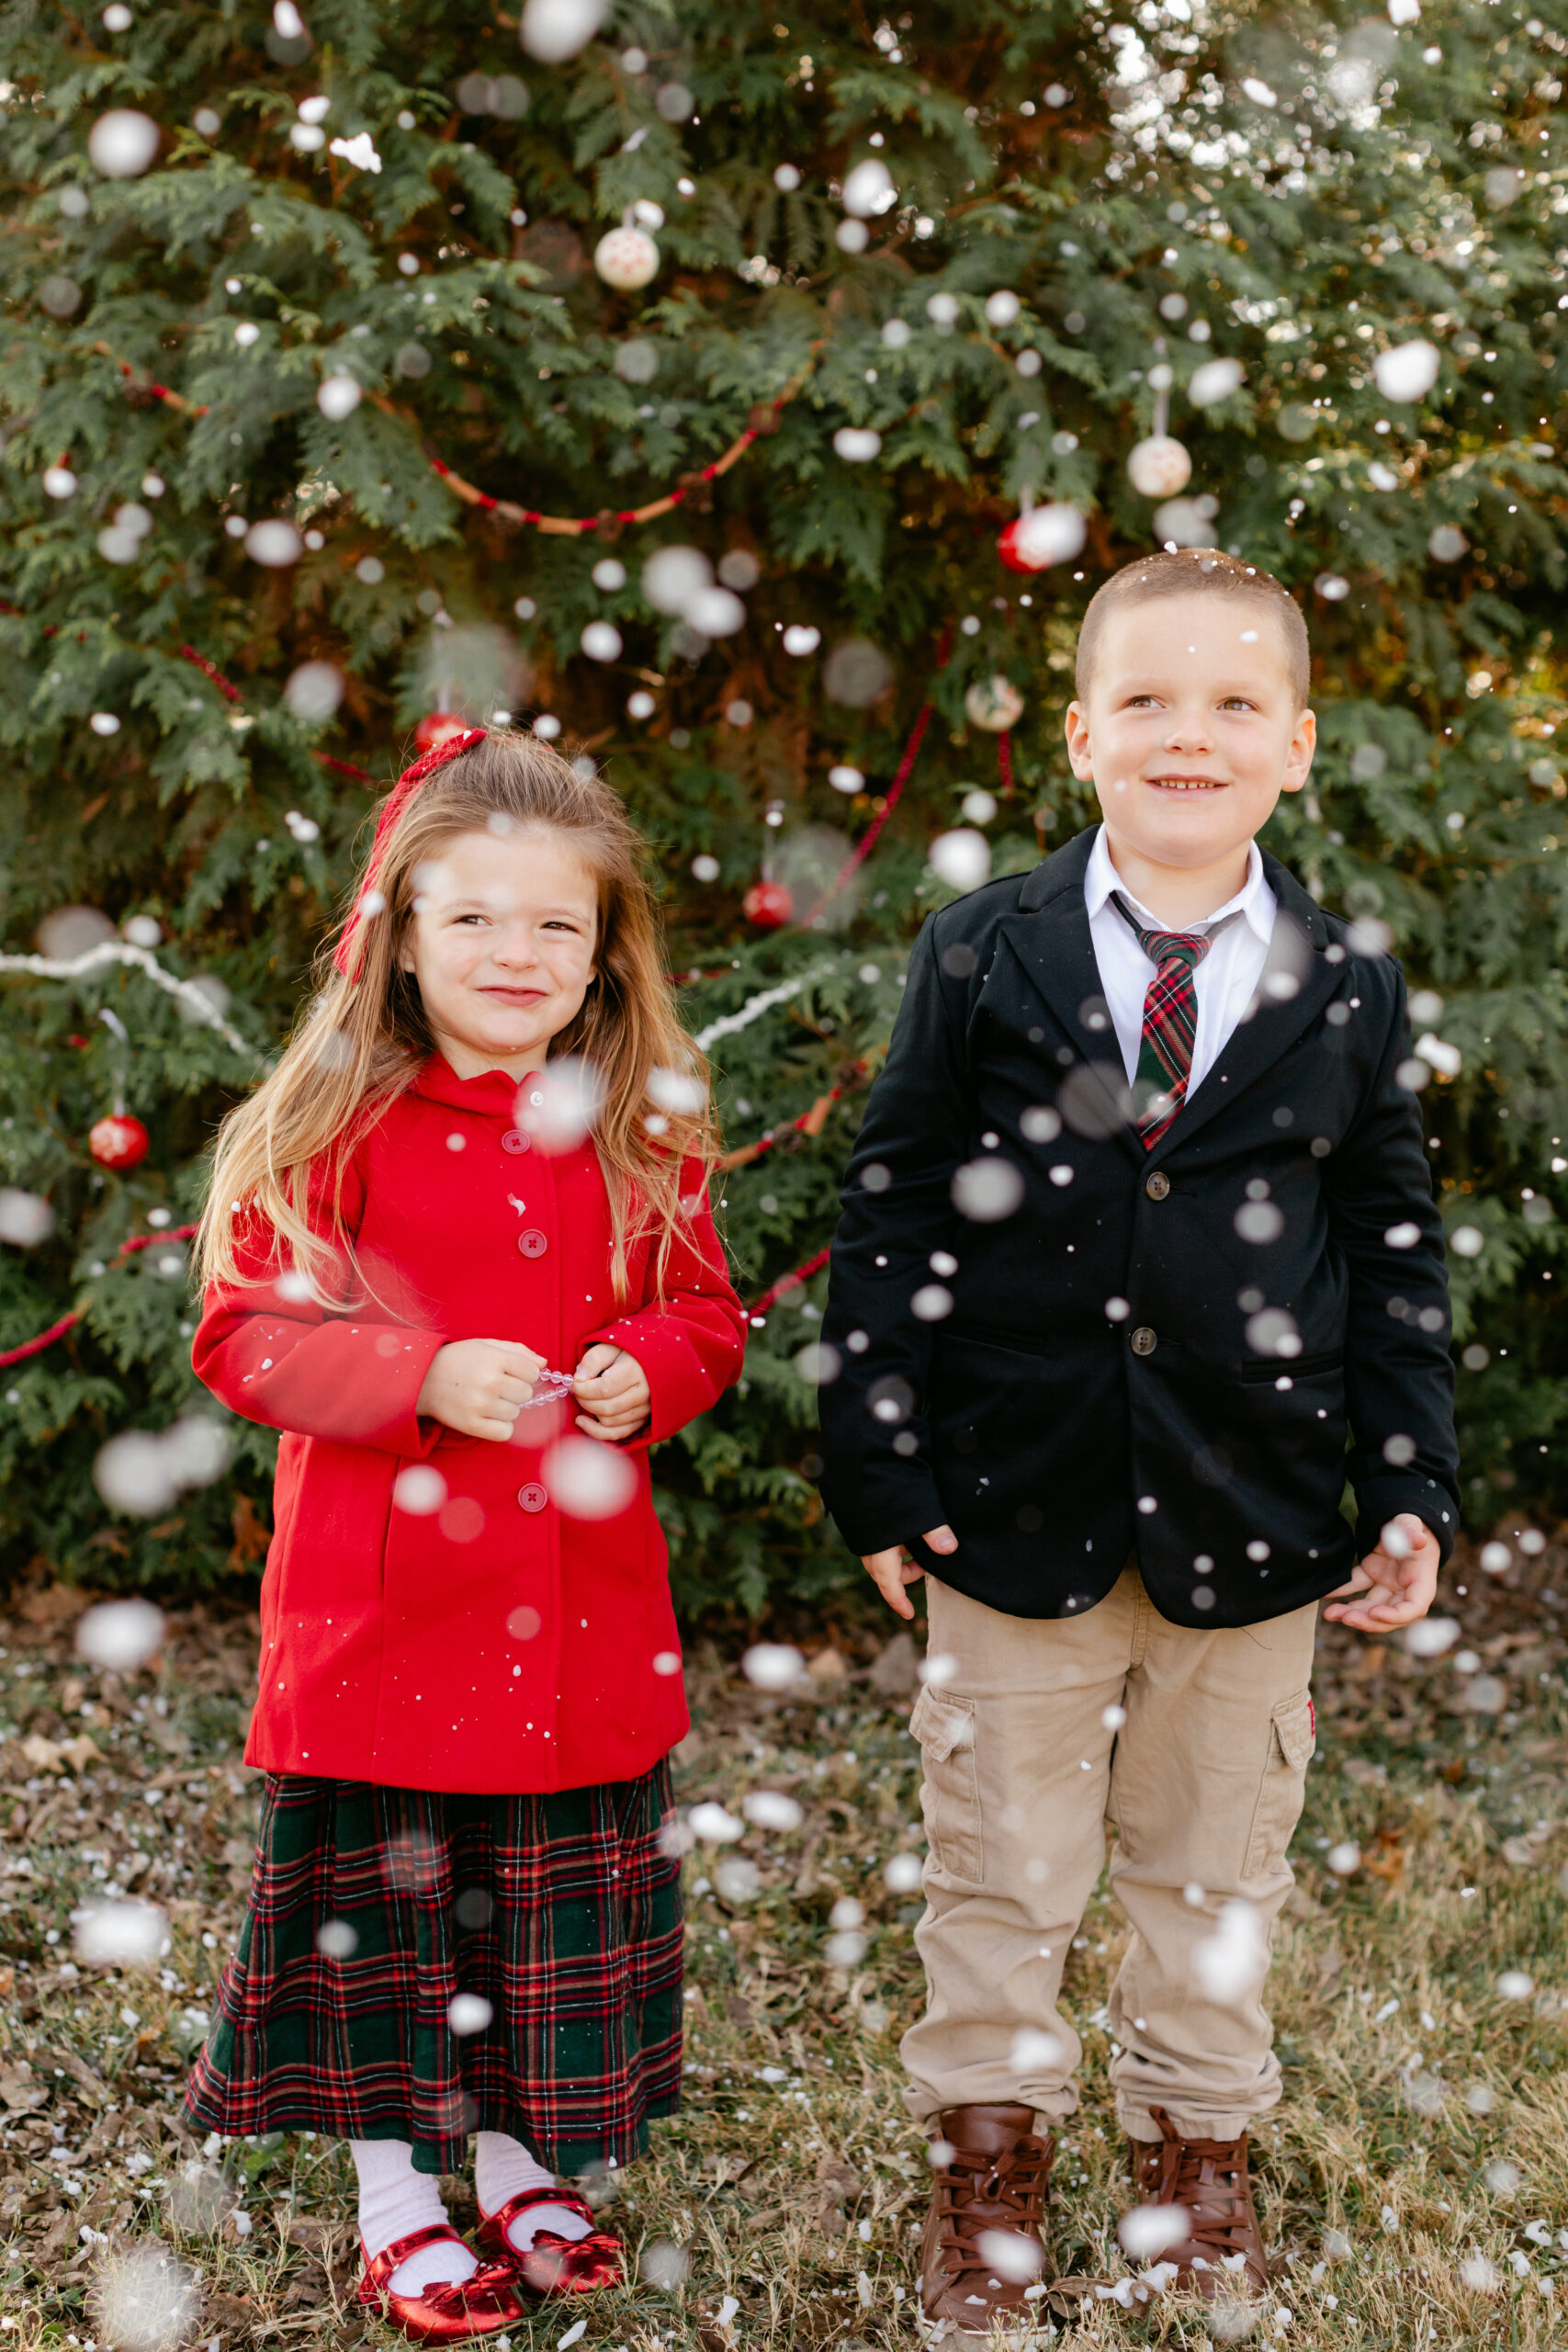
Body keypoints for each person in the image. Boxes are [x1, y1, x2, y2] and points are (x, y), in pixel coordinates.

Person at [818, 548, 1458, 2334]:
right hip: (1007, 1501)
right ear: (1084, 729)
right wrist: (879, 1457)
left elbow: (1393, 1240)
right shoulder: (984, 948)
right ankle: (989, 2166)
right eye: (1152, 700)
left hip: (1252, 1510)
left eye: (1235, 701)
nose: (1192, 733)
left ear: (1296, 745)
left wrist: (1402, 1480)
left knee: (1210, 1864)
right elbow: (892, 1206)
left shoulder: (1338, 982)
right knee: (998, 1864)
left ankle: (1193, 2151)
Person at [182, 727, 746, 2345]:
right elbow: (245, 1341)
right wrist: (416, 1373)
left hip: (574, 1622)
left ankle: (516, 2158)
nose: (517, 955)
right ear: (403, 940)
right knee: (395, 1932)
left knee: (532, 1914)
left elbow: (709, 1314)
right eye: (474, 920)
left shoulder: (643, 1124)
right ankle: (393, 2200)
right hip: (387, 1625)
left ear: (603, 956)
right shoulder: (329, 1124)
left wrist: (657, 1370)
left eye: (555, 926)